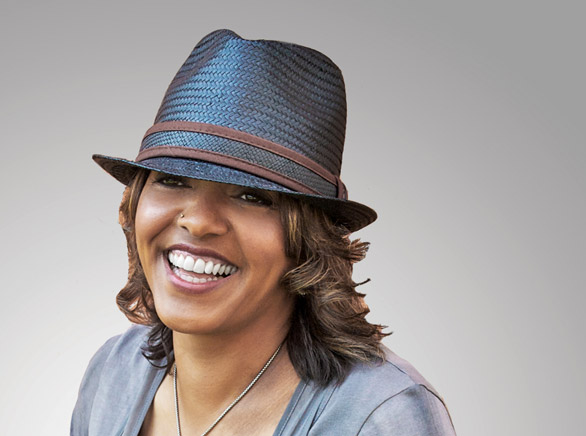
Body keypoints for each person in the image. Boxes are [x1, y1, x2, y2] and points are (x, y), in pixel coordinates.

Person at [71, 29, 456, 436]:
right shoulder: (113, 374)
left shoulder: (380, 419)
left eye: (252, 196)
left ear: (307, 240)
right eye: (172, 180)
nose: (198, 221)